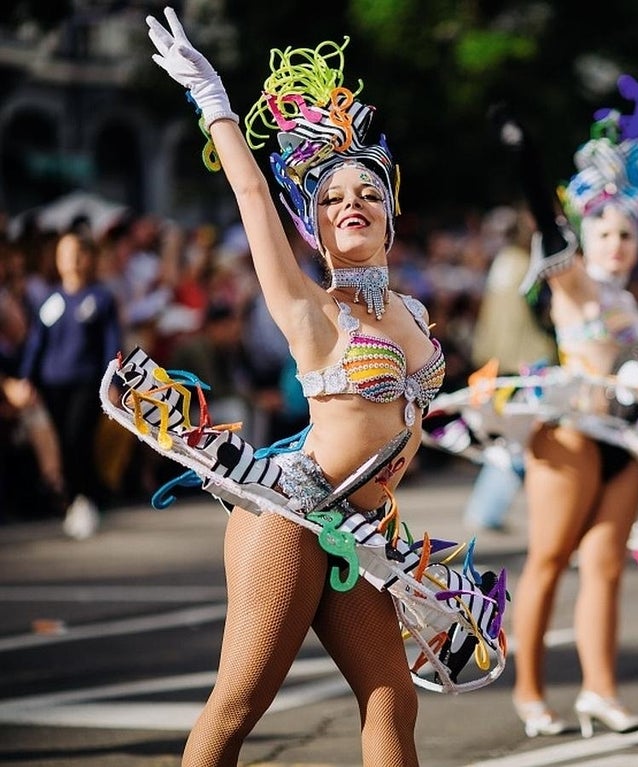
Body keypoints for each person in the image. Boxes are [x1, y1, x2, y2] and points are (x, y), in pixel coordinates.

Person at [120, 10, 505, 765]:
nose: (349, 204)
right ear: (313, 224)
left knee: (391, 698)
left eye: (365, 192)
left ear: (391, 213)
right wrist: (215, 104)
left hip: (363, 530)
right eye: (330, 199)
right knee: (238, 701)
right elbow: (252, 198)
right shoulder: (310, 310)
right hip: (293, 516)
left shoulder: (413, 310)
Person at [505, 74, 638, 739]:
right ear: (587, 232)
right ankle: (529, 692)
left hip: (626, 443)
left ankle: (600, 691)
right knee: (548, 560)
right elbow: (550, 235)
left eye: (627, 235)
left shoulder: (634, 304)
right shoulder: (575, 286)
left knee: (606, 567)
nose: (615, 243)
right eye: (604, 232)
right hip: (572, 434)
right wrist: (525, 160)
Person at [19, 232, 122, 538]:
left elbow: (111, 343)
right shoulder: (52, 300)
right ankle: (71, 499)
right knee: (61, 442)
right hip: (53, 383)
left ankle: (85, 498)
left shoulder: (101, 298)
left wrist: (114, 381)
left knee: (79, 438)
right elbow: (37, 343)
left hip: (85, 382)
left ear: (89, 257)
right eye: (65, 254)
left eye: (78, 253)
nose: (72, 261)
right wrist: (27, 377)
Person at [461, 206, 557, 532]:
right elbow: (546, 312)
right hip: (531, 360)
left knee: (511, 436)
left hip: (500, 358)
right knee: (527, 438)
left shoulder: (503, 263)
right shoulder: (530, 267)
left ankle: (487, 508)